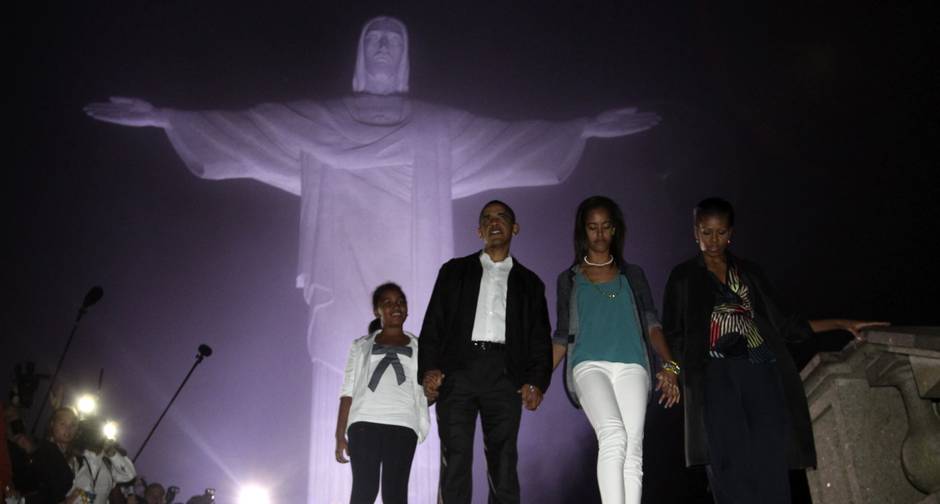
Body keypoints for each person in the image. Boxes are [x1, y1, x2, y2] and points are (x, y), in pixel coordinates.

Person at [84, 17, 659, 500]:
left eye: (395, 38)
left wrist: (582, 129)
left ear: (405, 57)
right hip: (344, 281)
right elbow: (247, 130)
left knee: (423, 391)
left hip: (416, 276)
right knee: (347, 378)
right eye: (374, 37)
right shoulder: (319, 122)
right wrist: (166, 118)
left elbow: (510, 140)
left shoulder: (437, 127)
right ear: (361, 56)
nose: (384, 46)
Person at [661, 197, 887, 503]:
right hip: (714, 374)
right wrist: (671, 372)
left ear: (731, 233)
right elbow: (674, 332)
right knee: (728, 462)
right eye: (706, 232)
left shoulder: (750, 272)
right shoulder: (683, 276)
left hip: (760, 369)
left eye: (721, 232)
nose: (714, 240)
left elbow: (785, 325)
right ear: (695, 233)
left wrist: (842, 322)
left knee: (770, 459)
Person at [419, 200, 552, 504]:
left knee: (504, 467)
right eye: (487, 218)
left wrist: (537, 381)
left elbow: (539, 338)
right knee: (455, 462)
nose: (494, 222)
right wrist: (429, 368)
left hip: (505, 377)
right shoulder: (454, 271)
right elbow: (433, 324)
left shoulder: (531, 283)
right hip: (458, 374)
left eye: (502, 217)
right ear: (479, 230)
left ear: (514, 228)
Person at [551, 196, 680, 504]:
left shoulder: (632, 275)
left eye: (605, 227)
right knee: (613, 434)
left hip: (633, 365)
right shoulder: (569, 279)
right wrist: (535, 380)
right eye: (592, 227)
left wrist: (671, 367)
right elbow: (561, 335)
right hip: (588, 365)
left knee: (633, 448)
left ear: (615, 230)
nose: (599, 234)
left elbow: (652, 324)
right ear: (583, 231)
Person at [335, 283, 429, 504]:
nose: (395, 307)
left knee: (395, 495)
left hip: (403, 424)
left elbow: (425, 390)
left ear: (407, 309)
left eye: (400, 302)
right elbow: (347, 392)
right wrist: (339, 435)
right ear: (377, 311)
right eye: (387, 303)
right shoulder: (360, 346)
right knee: (363, 491)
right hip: (364, 423)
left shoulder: (420, 347)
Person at [9, 407, 78, 504]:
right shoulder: (43, 450)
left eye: (73, 425)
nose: (68, 429)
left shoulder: (76, 459)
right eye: (63, 424)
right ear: (52, 424)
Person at [69, 419, 136, 504]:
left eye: (98, 431)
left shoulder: (109, 463)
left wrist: (112, 452)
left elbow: (129, 476)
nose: (95, 434)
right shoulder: (75, 457)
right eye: (91, 430)